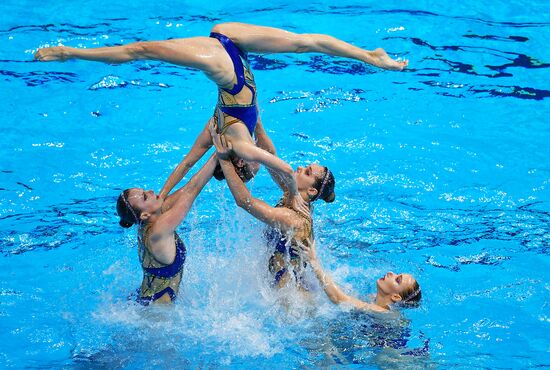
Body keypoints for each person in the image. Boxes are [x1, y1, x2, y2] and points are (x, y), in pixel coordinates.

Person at [34, 22, 408, 213]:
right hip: (230, 52)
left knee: (143, 51)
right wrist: (163, 193)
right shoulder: (222, 134)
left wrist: (291, 186)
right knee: (302, 41)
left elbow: (268, 159)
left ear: (242, 166)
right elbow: (189, 162)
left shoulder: (234, 144)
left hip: (229, 66)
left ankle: (71, 52)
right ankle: (370, 56)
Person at [211, 127, 336, 290]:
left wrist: (224, 159)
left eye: (307, 172)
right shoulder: (294, 196)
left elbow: (244, 201)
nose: (299, 167)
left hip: (291, 299)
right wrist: (255, 120)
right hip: (282, 285)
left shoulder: (292, 218)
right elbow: (270, 154)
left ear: (311, 191)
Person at [116, 154, 217, 305]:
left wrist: (217, 151)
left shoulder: (150, 220)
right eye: (145, 197)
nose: (150, 191)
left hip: (146, 296)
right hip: (156, 309)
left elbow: (189, 186)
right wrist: (218, 156)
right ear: (144, 215)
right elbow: (192, 191)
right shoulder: (159, 229)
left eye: (145, 190)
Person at [300, 241, 421, 313]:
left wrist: (314, 261)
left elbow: (338, 298)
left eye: (397, 279)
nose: (390, 273)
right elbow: (340, 293)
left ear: (395, 297)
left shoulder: (380, 311)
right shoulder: (373, 298)